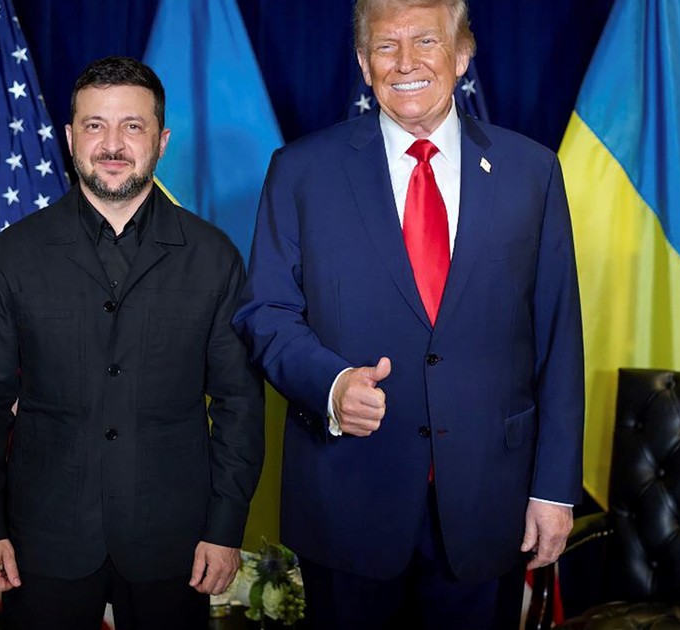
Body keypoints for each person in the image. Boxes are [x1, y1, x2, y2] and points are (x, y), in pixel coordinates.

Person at [232, 0, 584, 627]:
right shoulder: (301, 171)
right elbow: (267, 313)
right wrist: (332, 385)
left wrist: (554, 489)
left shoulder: (532, 172)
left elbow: (559, 339)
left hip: (489, 504)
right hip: (348, 499)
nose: (405, 62)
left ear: (462, 54)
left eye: (425, 41)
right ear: (363, 62)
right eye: (385, 46)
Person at [0, 56, 265, 630]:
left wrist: (225, 529)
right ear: (70, 137)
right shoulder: (12, 256)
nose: (113, 144)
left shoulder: (214, 257)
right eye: (95, 125)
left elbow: (239, 405)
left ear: (161, 141)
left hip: (174, 541)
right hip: (42, 538)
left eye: (133, 126)